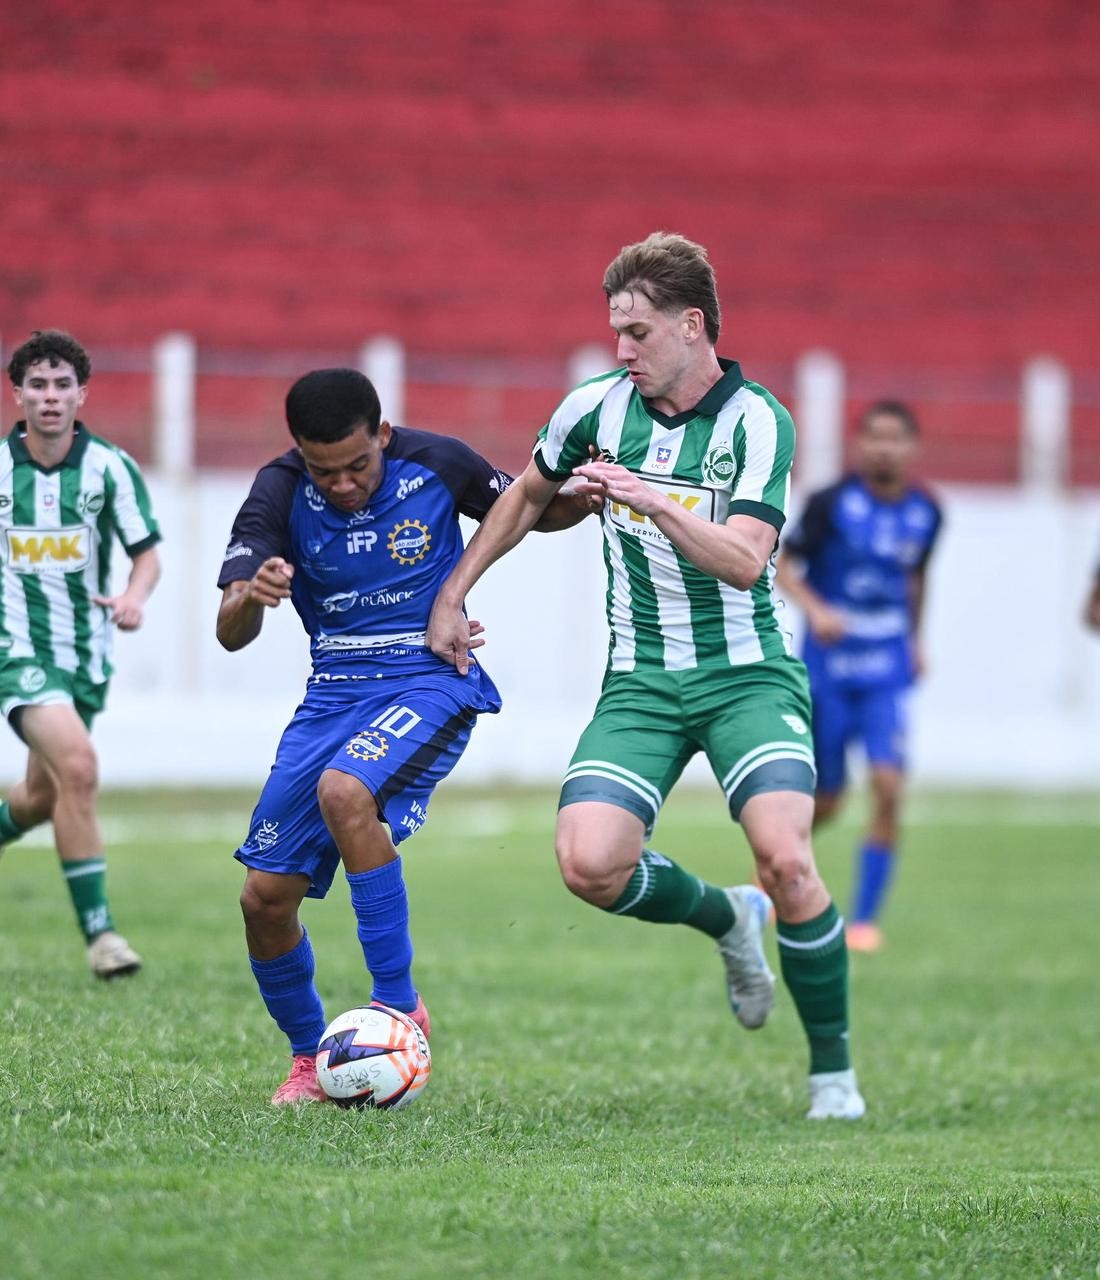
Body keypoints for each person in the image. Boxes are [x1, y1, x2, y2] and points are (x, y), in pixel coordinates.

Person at [428, 232, 865, 1120]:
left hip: (748, 677)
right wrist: (452, 592)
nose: (621, 349)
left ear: (691, 326)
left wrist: (653, 501)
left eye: (637, 331)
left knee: (787, 859)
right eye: (616, 332)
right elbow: (526, 496)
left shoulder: (758, 422)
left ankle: (834, 1077)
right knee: (587, 864)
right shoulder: (593, 407)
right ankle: (726, 918)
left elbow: (746, 562)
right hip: (641, 682)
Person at [217, 367, 590, 1105]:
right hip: (332, 694)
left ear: (383, 435)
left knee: (344, 790)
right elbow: (230, 630)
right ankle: (311, 1062)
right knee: (264, 900)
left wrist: (587, 492)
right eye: (325, 471)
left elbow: (532, 507)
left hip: (429, 677)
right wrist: (252, 597)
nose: (343, 484)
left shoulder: (435, 461)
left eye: (357, 465)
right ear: (299, 454)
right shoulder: (278, 491)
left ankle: (397, 1004)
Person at [1, 330, 161, 978]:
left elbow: (146, 555)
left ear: (81, 394)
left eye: (61, 384)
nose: (49, 396)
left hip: (85, 656)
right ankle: (102, 937)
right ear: (18, 394)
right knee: (80, 767)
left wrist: (133, 598)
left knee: (43, 795)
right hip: (15, 649)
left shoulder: (110, 468)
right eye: (37, 384)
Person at [776, 402, 942, 954]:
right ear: (860, 444)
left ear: (912, 447)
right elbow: (782, 565)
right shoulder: (831, 504)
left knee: (889, 787)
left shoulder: (926, 511)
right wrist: (817, 610)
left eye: (895, 438)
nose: (884, 448)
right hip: (829, 669)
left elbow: (916, 577)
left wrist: (916, 639)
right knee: (826, 800)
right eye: (875, 437)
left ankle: (865, 920)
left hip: (886, 669)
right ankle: (770, 874)